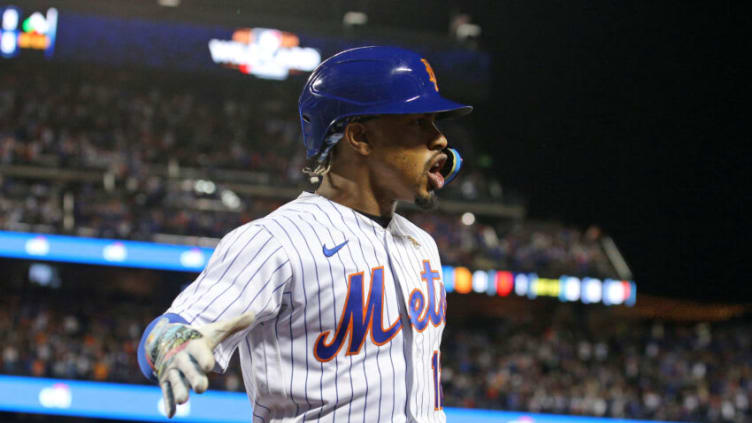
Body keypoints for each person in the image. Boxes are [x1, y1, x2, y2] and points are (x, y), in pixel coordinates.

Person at [137, 45, 472, 423]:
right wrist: (171, 346)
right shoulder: (275, 242)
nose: (440, 139)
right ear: (359, 136)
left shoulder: (421, 244)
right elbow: (175, 327)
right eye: (417, 123)